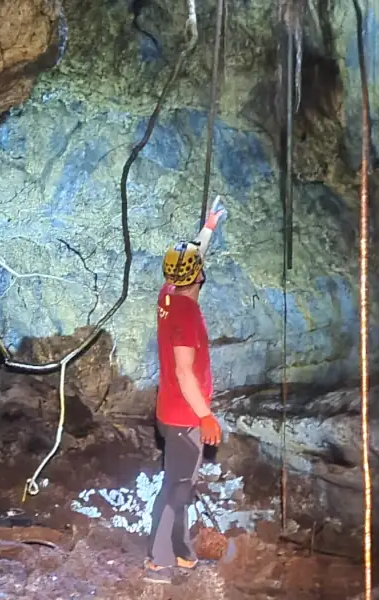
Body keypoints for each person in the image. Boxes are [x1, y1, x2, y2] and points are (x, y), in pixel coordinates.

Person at [143, 197, 227, 584]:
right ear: (199, 278)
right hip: (183, 417)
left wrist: (208, 228)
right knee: (177, 488)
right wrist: (205, 416)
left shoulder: (167, 293)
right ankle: (159, 558)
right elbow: (183, 371)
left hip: (168, 411)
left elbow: (191, 256)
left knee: (180, 483)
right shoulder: (188, 315)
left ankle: (179, 550)